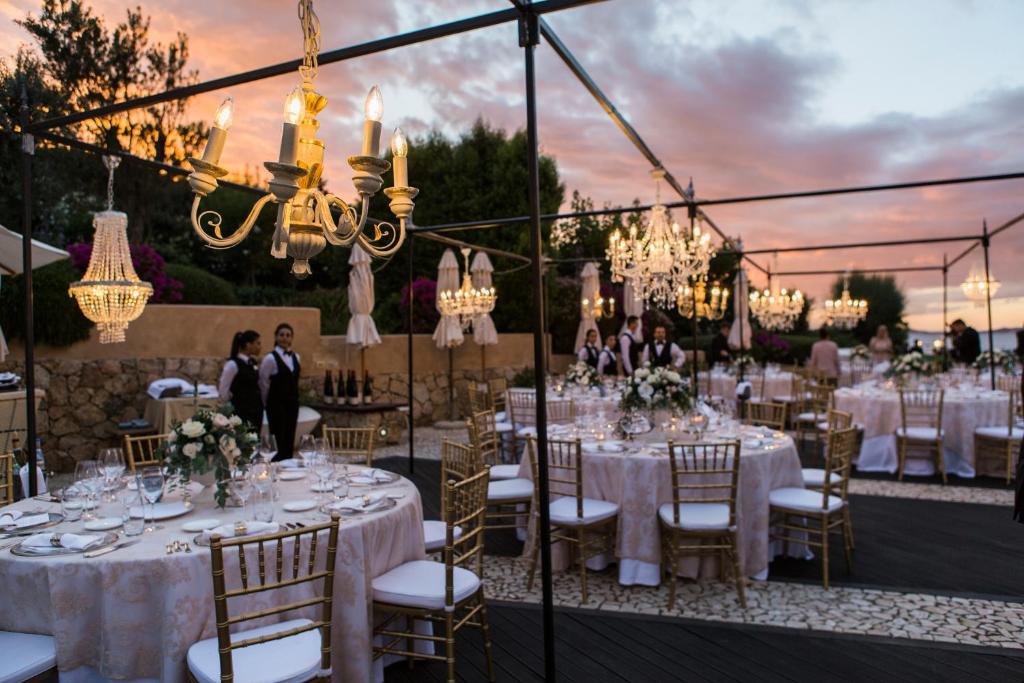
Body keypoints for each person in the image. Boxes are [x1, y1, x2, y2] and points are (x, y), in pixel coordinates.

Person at [259, 323, 301, 462]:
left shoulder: (296, 357)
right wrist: (266, 403)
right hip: (276, 403)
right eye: (281, 335)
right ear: (276, 337)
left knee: (290, 435)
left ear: (292, 338)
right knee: (277, 437)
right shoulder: (270, 358)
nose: (285, 338)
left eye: (288, 335)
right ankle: (276, 467)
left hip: (292, 403)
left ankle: (288, 465)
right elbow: (264, 382)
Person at [218, 330, 263, 430]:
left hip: (255, 411)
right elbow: (223, 389)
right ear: (248, 345)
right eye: (257, 343)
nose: (260, 347)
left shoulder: (252, 363)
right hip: (241, 412)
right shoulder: (233, 364)